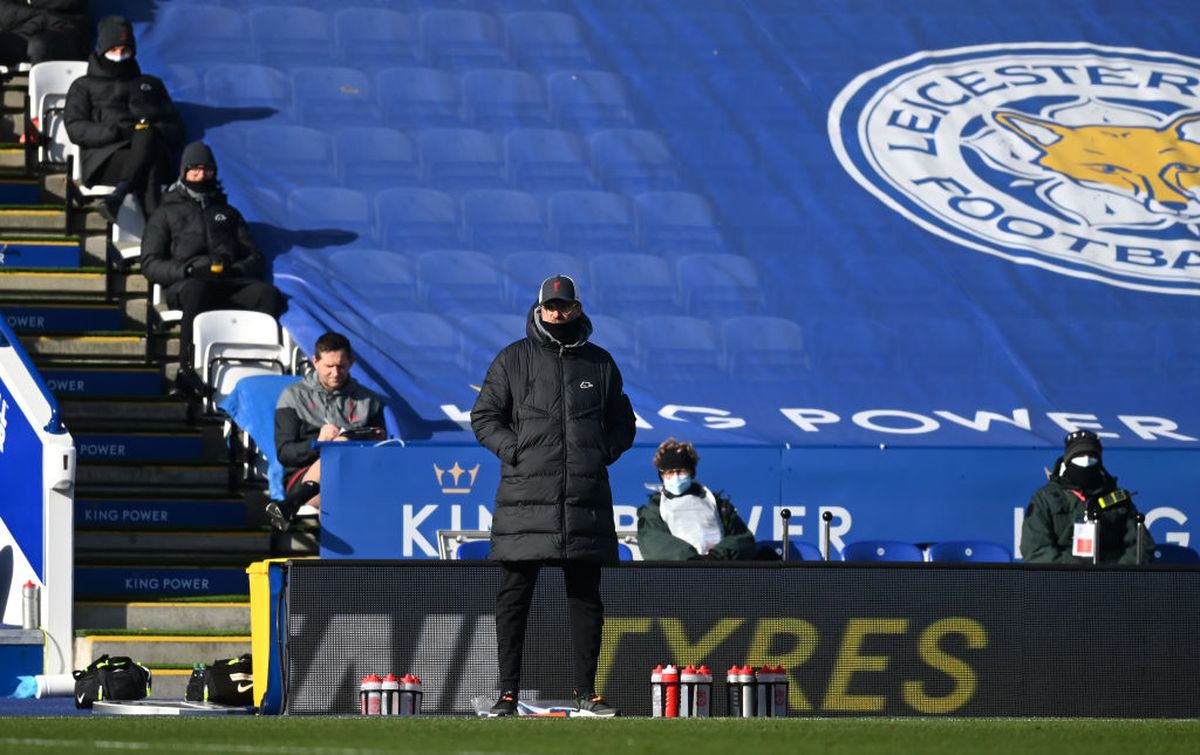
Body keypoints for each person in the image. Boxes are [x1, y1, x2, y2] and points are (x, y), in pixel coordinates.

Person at [471, 274, 637, 718]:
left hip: (583, 498)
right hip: (526, 497)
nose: (559, 313)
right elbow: (484, 417)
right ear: (539, 309)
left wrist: (604, 451)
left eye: (566, 306)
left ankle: (587, 694)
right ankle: (507, 695)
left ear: (578, 309)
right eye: (552, 307)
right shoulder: (513, 359)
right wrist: (516, 451)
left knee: (586, 599)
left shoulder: (600, 363)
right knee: (514, 598)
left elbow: (624, 422)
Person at [139, 141, 285, 397]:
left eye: (207, 169)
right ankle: (186, 370)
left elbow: (255, 256)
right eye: (194, 169)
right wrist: (188, 271)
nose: (201, 175)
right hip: (187, 284)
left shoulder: (228, 213)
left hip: (228, 282)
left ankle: (258, 369)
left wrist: (234, 270)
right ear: (184, 172)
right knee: (197, 290)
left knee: (268, 295)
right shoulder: (165, 213)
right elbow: (150, 263)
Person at [63, 15, 183, 221]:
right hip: (105, 158)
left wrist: (149, 131)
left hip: (152, 153)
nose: (120, 55)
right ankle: (156, 233)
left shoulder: (151, 84)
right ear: (102, 51)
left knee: (146, 137)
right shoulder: (83, 86)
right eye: (114, 50)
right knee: (148, 161)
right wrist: (117, 132)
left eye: (125, 50)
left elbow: (175, 128)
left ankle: (118, 197)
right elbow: (75, 127)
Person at [267, 331, 386, 531]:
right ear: (315, 361)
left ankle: (290, 506)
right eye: (329, 366)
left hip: (355, 472)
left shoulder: (369, 400)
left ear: (351, 362)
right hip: (302, 475)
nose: (335, 372)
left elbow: (380, 449)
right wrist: (319, 445)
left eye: (341, 366)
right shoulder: (293, 396)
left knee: (341, 462)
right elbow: (285, 454)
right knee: (338, 474)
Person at [1021, 430, 1153, 564]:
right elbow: (1036, 550)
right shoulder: (1045, 498)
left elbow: (1141, 546)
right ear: (1067, 461)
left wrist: (1114, 574)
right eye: (1078, 457)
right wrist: (1078, 571)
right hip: (1061, 580)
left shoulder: (1118, 499)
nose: (1086, 461)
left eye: (1092, 457)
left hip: (1111, 580)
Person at [637, 438, 756, 561]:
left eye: (681, 471)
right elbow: (655, 544)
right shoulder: (654, 509)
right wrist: (692, 561)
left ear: (691, 472)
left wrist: (717, 556)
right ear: (662, 476)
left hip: (720, 570)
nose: (675, 476)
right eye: (669, 472)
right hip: (679, 575)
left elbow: (743, 539)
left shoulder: (717, 503)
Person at [0, 0, 89, 66]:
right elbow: (6, 16)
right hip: (23, 34)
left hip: (62, 29)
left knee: (39, 46)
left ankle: (50, 89)